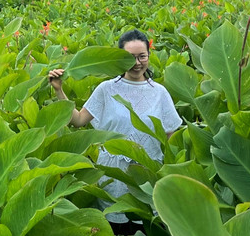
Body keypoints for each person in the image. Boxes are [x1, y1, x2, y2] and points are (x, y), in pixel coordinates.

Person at [48, 29, 181, 224]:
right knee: (115, 232)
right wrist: (59, 90)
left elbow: (171, 136)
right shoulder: (106, 89)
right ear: (119, 58)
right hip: (113, 176)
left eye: (142, 56)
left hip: (146, 177)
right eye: (130, 57)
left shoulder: (159, 93)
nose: (137, 63)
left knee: (146, 230)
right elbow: (77, 121)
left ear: (149, 56)